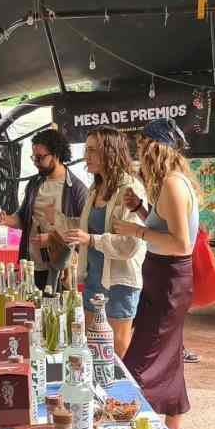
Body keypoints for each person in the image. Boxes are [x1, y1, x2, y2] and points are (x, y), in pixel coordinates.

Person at [113, 118, 199, 429]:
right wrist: (139, 209)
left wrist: (136, 230)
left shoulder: (174, 184)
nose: (139, 151)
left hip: (169, 282)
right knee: (168, 353)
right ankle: (174, 424)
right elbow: (163, 228)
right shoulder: (168, 183)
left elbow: (180, 243)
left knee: (141, 360)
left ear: (154, 147)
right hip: (162, 278)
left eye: (141, 144)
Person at [61, 127, 147, 356]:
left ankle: (121, 393)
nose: (86, 156)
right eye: (85, 150)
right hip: (94, 279)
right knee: (92, 346)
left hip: (119, 282)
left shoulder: (130, 188)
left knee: (117, 350)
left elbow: (130, 245)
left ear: (109, 152)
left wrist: (90, 239)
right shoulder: (95, 188)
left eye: (92, 150)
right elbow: (87, 229)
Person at [0, 128, 88, 291]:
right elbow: (23, 219)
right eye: (33, 157)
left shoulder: (76, 189)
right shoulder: (34, 184)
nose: (35, 162)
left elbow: (85, 228)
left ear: (56, 155)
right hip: (32, 264)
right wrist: (5, 220)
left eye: (40, 157)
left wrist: (52, 238)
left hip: (61, 265)